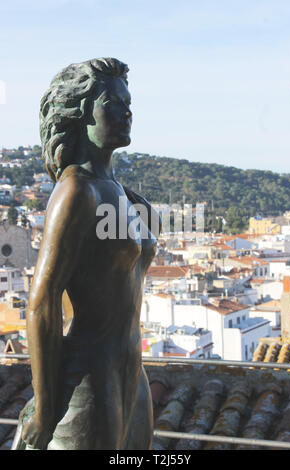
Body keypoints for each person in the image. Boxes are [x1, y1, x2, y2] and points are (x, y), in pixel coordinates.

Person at [13, 58, 160, 450]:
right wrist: (45, 409)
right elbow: (43, 301)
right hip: (89, 376)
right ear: (81, 113)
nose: (127, 111)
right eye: (112, 102)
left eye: (128, 102)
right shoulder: (77, 191)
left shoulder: (124, 195)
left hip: (132, 373)